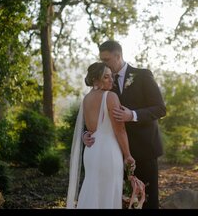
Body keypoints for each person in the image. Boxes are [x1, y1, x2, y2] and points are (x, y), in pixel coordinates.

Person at [83, 40, 166, 209]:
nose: (103, 63)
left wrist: (132, 115)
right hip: (115, 152)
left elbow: (160, 109)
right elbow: (96, 111)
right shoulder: (105, 82)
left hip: (144, 149)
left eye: (106, 59)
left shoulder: (142, 75)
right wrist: (87, 133)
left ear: (118, 56)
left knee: (146, 199)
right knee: (120, 200)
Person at [66, 62, 135, 209]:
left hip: (91, 151)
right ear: (95, 80)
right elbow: (120, 129)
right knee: (108, 192)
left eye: (111, 77)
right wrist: (128, 155)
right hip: (108, 152)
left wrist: (85, 135)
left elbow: (89, 128)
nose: (111, 80)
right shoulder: (111, 97)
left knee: (92, 189)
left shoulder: (86, 99)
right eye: (106, 77)